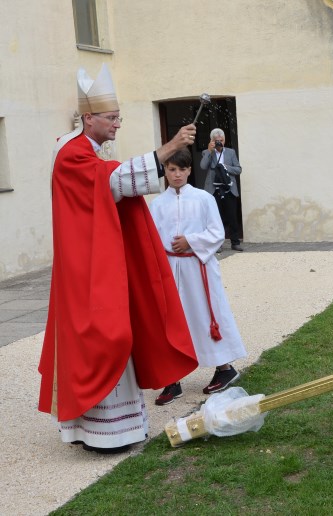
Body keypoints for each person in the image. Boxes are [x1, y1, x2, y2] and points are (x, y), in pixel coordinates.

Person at [38, 64, 199, 454]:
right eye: (112, 118)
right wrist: (169, 147)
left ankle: (121, 429)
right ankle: (101, 433)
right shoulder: (72, 154)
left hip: (96, 259)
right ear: (88, 117)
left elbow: (112, 181)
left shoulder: (87, 150)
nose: (117, 125)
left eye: (119, 118)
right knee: (106, 334)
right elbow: (113, 181)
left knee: (116, 330)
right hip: (85, 268)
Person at [149, 148, 248, 405]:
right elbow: (151, 239)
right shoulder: (158, 204)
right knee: (171, 319)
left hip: (198, 266)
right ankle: (173, 379)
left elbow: (216, 232)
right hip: (170, 268)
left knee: (207, 314)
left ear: (190, 170)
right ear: (165, 172)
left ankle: (225, 368)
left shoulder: (204, 199)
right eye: (172, 169)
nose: (177, 174)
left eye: (182, 169)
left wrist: (191, 241)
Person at [200, 128, 244, 252]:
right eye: (216, 140)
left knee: (232, 216)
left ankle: (235, 242)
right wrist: (210, 151)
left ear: (225, 140)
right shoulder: (207, 152)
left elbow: (238, 169)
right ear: (212, 141)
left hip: (228, 187)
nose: (219, 142)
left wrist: (225, 167)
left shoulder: (230, 152)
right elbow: (203, 166)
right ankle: (217, 244)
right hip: (214, 189)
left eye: (221, 140)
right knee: (215, 217)